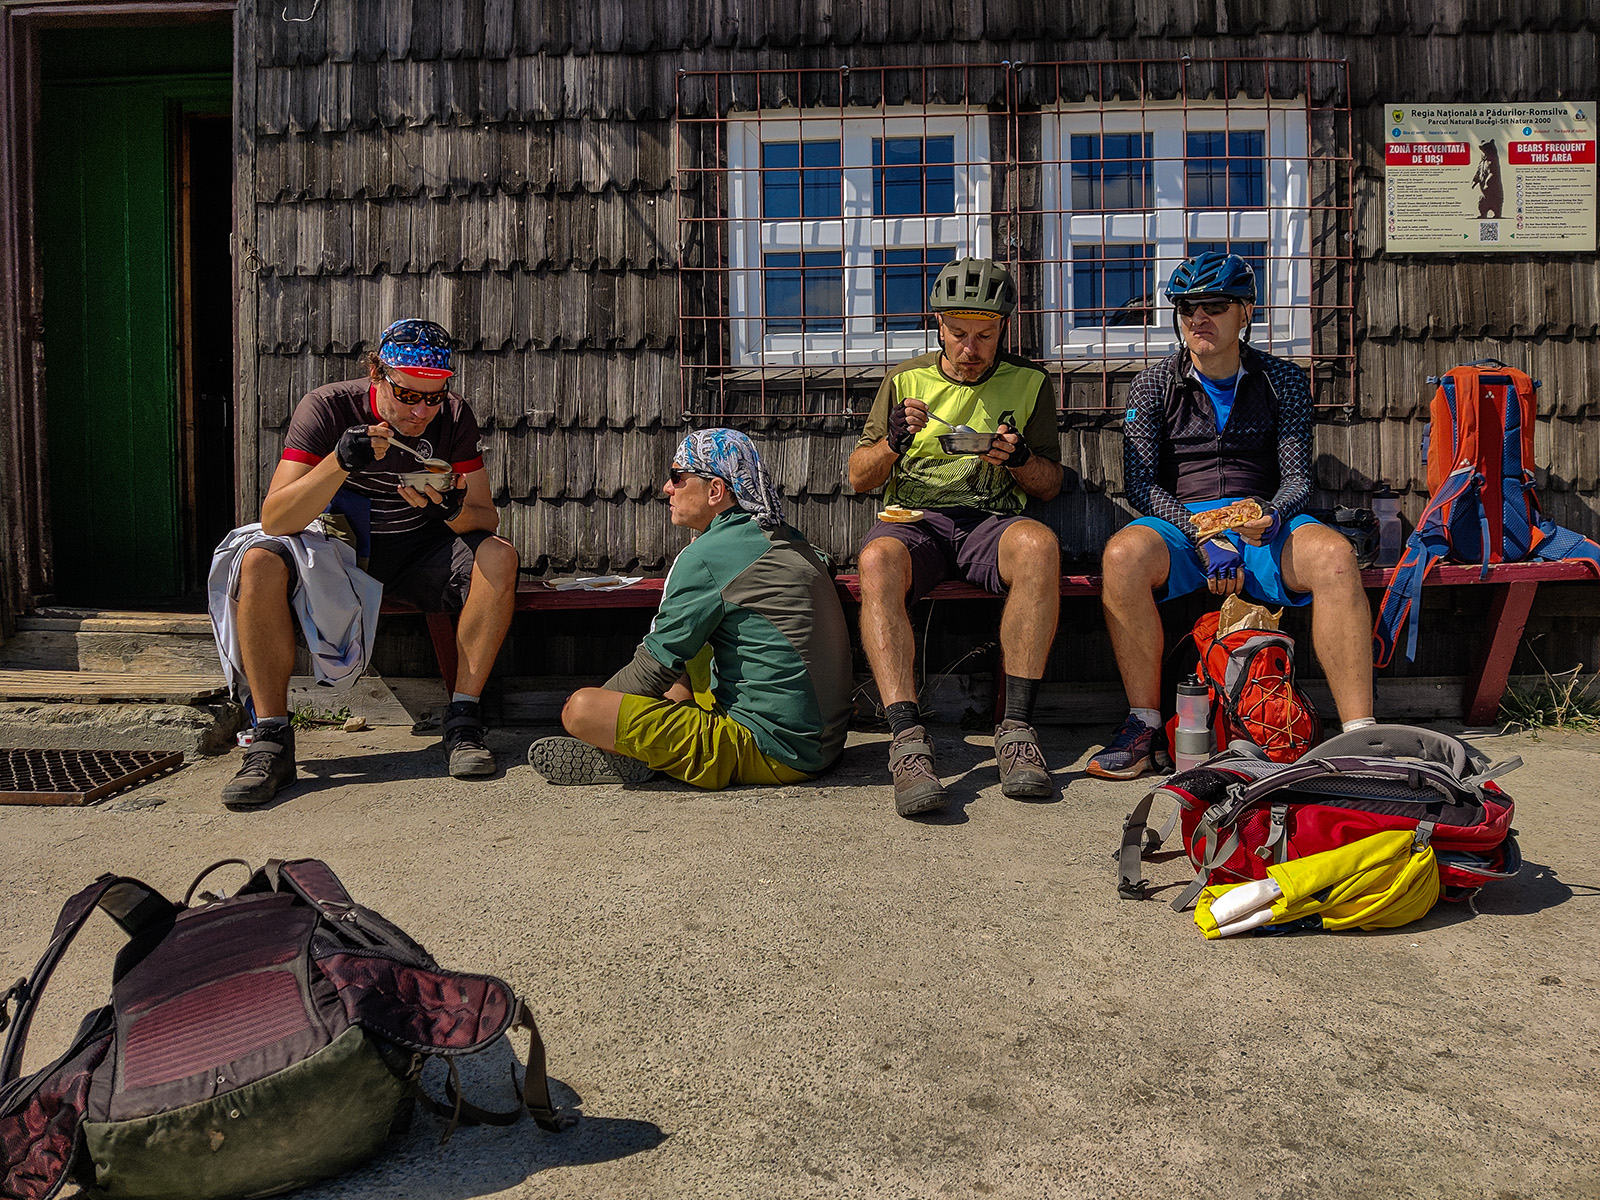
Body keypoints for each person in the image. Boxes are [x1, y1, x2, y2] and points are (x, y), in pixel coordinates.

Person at [1088, 251, 1374, 780]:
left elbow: (1297, 477)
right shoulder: (1154, 384)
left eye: (1215, 306)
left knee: (1335, 556)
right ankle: (1143, 726)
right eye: (1187, 308)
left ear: (1246, 311)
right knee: (1123, 555)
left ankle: (1362, 735)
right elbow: (1141, 484)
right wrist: (1200, 532)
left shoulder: (1282, 379)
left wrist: (1273, 513)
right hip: (1182, 522)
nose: (1198, 318)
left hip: (1260, 519)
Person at [215, 318, 518, 807]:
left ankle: (464, 720)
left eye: (434, 397)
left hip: (421, 552)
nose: (421, 411)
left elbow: (486, 516)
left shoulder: (454, 416)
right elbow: (276, 518)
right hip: (338, 553)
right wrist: (339, 461)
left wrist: (449, 510)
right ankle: (271, 738)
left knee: (499, 557)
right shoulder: (329, 407)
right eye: (408, 395)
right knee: (257, 562)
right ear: (377, 374)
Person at [848, 257, 1065, 817]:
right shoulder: (905, 380)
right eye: (960, 333)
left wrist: (1019, 459)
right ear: (938, 326)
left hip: (991, 523)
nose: (971, 349)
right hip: (913, 521)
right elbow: (858, 477)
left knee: (1039, 546)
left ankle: (1017, 731)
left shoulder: (1030, 383)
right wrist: (892, 442)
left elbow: (1049, 485)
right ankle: (906, 740)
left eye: (985, 336)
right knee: (875, 561)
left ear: (1003, 329)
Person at [528, 429, 853, 791]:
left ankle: (638, 752)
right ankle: (653, 744)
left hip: (771, 751)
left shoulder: (707, 556)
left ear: (715, 490)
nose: (667, 488)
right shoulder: (788, 538)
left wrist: (601, 716)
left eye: (677, 476)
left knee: (581, 708)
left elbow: (653, 669)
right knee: (693, 645)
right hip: (824, 744)